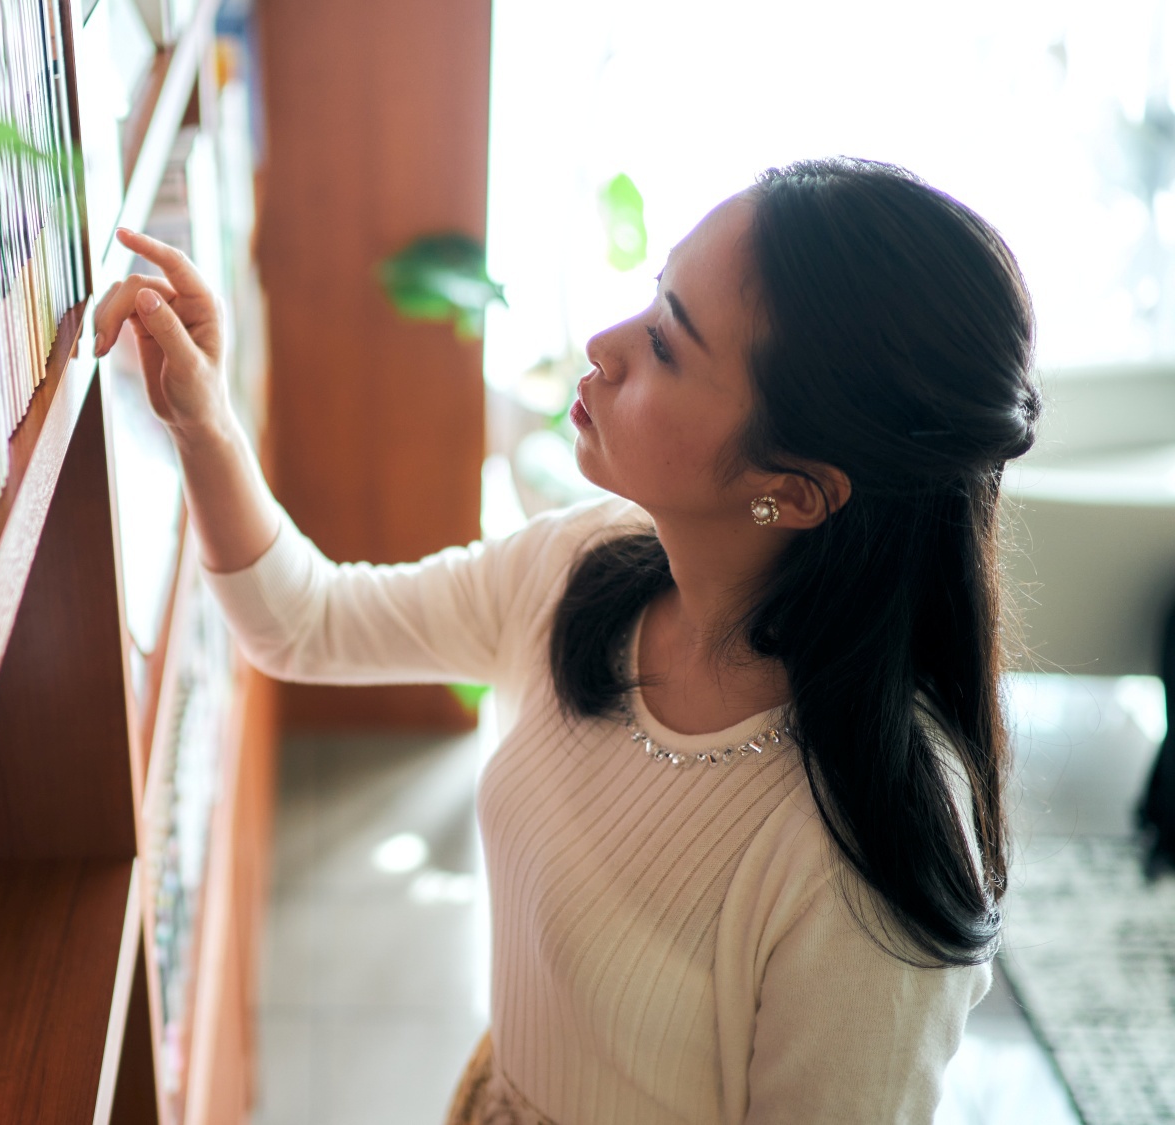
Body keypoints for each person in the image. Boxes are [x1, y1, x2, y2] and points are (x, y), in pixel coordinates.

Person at [93, 157, 1039, 1124]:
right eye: (652, 298)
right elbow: (305, 622)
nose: (605, 343)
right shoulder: (588, 565)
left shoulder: (864, 865)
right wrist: (201, 422)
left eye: (669, 347)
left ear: (794, 491)